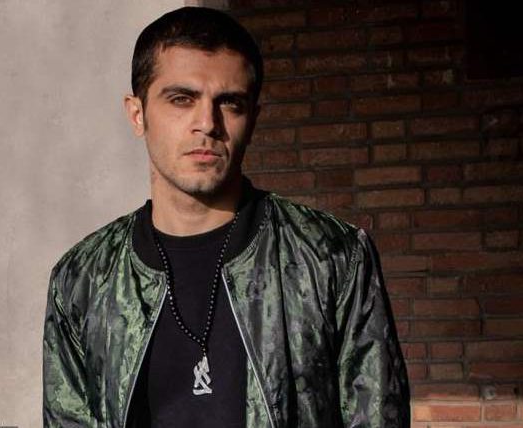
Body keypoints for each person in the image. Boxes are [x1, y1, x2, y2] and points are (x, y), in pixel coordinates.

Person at [43, 6, 409, 428]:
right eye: (181, 99)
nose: (207, 124)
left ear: (252, 119)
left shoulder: (332, 258)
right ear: (137, 114)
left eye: (230, 103)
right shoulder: (84, 278)